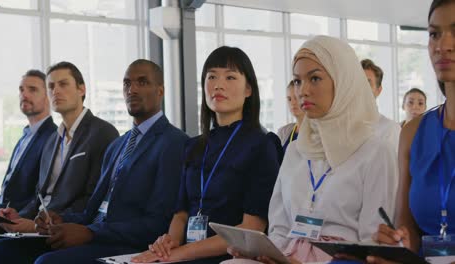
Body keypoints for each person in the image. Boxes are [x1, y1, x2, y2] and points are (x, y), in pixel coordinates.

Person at [224, 36, 398, 264]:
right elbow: (280, 227)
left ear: (343, 81)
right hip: (288, 256)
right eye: (297, 81)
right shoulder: (297, 149)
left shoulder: (375, 151)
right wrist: (261, 251)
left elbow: (373, 246)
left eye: (314, 78)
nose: (302, 90)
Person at [131, 46, 282, 264]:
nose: (218, 85)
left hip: (230, 257)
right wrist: (168, 244)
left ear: (248, 89)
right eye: (212, 76)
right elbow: (181, 214)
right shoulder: (194, 145)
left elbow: (252, 228)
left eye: (230, 77)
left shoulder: (262, 144)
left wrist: (178, 254)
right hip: (185, 253)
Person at [0, 61, 119, 234]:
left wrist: (42, 224)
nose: (56, 91)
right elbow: (40, 198)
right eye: (51, 86)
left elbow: (94, 198)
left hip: (68, 229)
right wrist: (18, 216)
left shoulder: (102, 132)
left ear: (82, 89)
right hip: (40, 226)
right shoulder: (51, 141)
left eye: (63, 84)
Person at [369, 0, 455, 263]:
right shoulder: (413, 132)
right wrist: (400, 244)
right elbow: (409, 230)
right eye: (434, 34)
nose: (443, 45)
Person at [0, 70, 56, 239]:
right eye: (21, 89)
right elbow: (10, 192)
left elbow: (39, 195)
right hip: (3, 216)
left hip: (20, 222)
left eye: (32, 89)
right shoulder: (24, 137)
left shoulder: (53, 138)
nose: (24, 94)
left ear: (48, 96)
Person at [361, 59, 401, 154]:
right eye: (357, 81)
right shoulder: (341, 126)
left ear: (378, 90)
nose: (360, 87)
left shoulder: (390, 129)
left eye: (367, 83)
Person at [277, 80, 305, 152]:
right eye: (289, 99)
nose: (292, 103)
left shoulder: (317, 132)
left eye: (296, 97)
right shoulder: (283, 132)